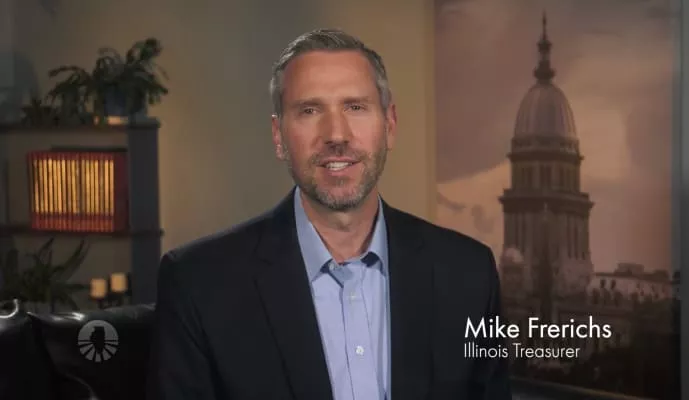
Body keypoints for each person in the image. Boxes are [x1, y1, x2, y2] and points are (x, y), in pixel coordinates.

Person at [147, 28, 512, 400]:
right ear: (278, 136)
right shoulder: (198, 284)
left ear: (390, 125)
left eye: (355, 107)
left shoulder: (468, 274)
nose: (336, 134)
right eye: (309, 110)